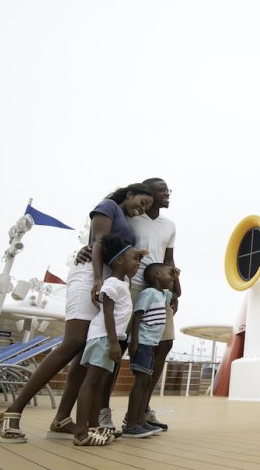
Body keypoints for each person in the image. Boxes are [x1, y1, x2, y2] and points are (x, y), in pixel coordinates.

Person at [0, 183, 153, 444]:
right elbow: (99, 241)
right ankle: (13, 411)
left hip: (107, 280)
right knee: (74, 341)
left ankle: (62, 418)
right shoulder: (108, 206)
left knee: (84, 353)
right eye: (142, 201)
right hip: (91, 276)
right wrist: (97, 278)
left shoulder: (126, 222)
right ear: (129, 193)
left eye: (147, 207)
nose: (142, 208)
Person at [95, 177, 180, 432]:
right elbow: (105, 240)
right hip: (130, 285)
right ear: (146, 192)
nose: (167, 193)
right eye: (161, 190)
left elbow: (169, 258)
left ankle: (141, 409)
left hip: (158, 290)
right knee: (119, 346)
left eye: (168, 190)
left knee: (164, 345)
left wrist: (173, 291)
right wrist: (87, 249)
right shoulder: (131, 217)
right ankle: (102, 411)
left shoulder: (170, 225)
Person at [73, 234, 144, 446]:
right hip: (103, 338)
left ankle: (94, 426)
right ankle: (81, 432)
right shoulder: (112, 284)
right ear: (119, 260)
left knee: (100, 383)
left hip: (108, 338)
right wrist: (114, 343)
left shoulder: (123, 282)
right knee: (91, 382)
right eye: (134, 259)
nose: (138, 263)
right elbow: (107, 313)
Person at [124, 262, 179, 437]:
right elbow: (137, 315)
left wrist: (176, 277)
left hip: (151, 344)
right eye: (168, 274)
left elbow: (177, 293)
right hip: (142, 343)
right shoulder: (148, 293)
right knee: (140, 382)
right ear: (156, 276)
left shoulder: (163, 295)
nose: (171, 278)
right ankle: (130, 424)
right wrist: (134, 341)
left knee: (146, 382)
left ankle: (139, 420)